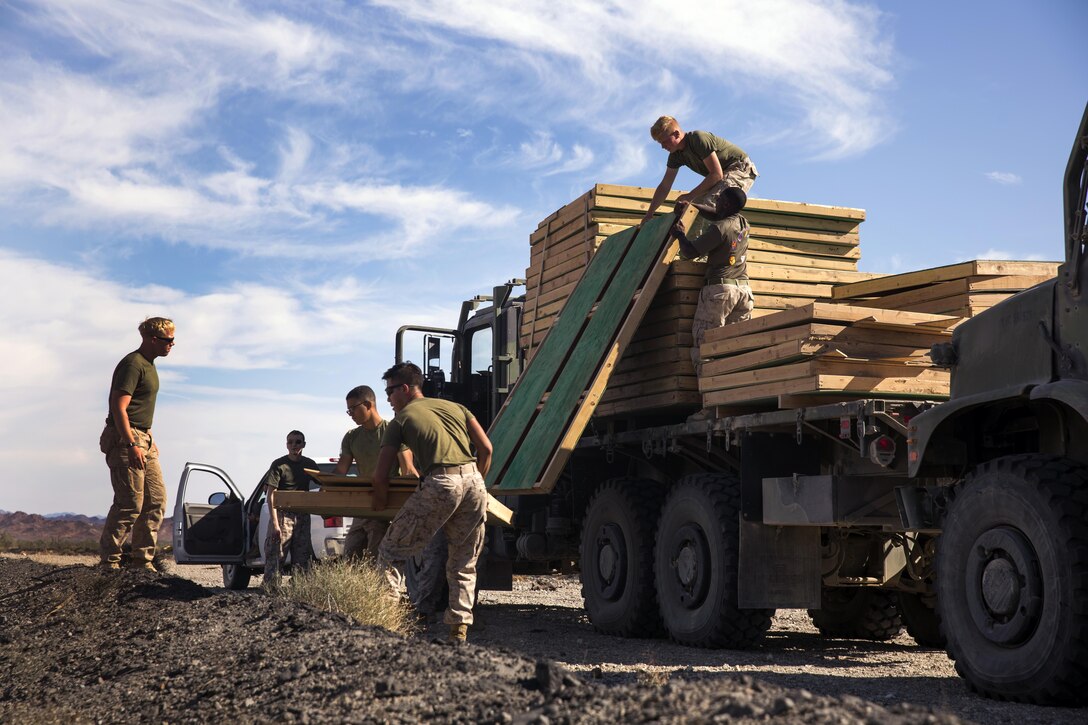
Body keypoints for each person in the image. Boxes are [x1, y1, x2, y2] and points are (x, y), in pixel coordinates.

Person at [372, 362, 493, 643]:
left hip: (440, 483)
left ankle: (388, 626)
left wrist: (378, 507)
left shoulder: (400, 420)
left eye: (390, 392)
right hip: (474, 482)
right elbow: (486, 449)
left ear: (404, 388)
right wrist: (475, 481)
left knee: (391, 552)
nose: (388, 399)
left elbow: (380, 477)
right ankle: (458, 631)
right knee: (463, 562)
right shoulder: (456, 408)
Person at [99, 316, 176, 571]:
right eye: (168, 340)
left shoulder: (150, 365)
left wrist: (149, 439)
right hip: (126, 438)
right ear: (153, 339)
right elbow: (119, 407)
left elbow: (139, 408)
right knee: (130, 502)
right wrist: (132, 444)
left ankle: (141, 562)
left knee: (156, 500)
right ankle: (109, 562)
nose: (172, 344)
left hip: (143, 437)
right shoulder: (133, 364)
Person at [671, 186, 754, 422]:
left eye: (719, 200)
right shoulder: (743, 223)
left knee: (704, 349)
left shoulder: (719, 228)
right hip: (743, 292)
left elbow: (689, 252)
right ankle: (732, 403)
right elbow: (717, 214)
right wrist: (694, 206)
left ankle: (709, 409)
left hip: (720, 293)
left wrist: (680, 234)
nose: (716, 202)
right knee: (733, 350)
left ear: (727, 205)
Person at [337, 385, 418, 560]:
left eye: (353, 409)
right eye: (348, 410)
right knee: (350, 556)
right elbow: (340, 471)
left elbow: (408, 470)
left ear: (367, 405)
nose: (350, 414)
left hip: (386, 505)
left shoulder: (393, 430)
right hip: (362, 506)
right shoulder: (351, 437)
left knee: (378, 557)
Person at [640, 115, 758, 228]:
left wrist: (690, 195)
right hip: (722, 174)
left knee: (711, 203)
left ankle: (708, 244)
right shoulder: (675, 155)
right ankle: (691, 246)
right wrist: (650, 214)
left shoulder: (698, 139)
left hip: (741, 168)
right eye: (660, 143)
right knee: (692, 209)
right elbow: (665, 185)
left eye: (664, 142)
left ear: (676, 134)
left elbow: (716, 175)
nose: (662, 147)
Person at [261, 430, 319, 587]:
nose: (294, 445)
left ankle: (299, 592)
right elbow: (271, 495)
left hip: (302, 516)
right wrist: (275, 524)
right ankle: (270, 591)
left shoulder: (309, 464)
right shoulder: (279, 465)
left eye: (298, 442)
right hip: (282, 515)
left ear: (304, 445)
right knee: (276, 555)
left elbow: (324, 482)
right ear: (286, 445)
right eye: (290, 442)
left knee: (302, 557)